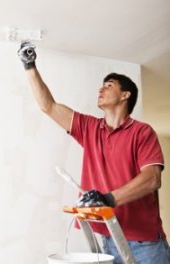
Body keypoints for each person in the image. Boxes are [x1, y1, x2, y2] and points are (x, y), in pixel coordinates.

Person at [18, 42, 170, 264]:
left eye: (108, 85)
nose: (101, 89)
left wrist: (108, 198)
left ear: (125, 95)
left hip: (144, 245)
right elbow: (48, 106)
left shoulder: (141, 132)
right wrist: (29, 65)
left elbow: (152, 179)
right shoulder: (89, 128)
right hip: (109, 240)